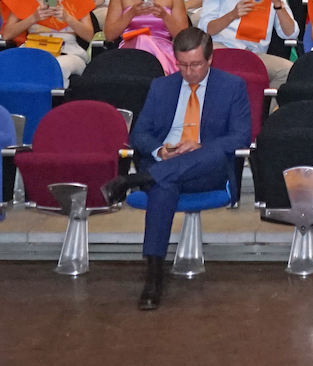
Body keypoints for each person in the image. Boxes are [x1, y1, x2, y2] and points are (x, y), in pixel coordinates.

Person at [106, 29, 251, 311]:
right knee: (164, 185)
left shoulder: (232, 86)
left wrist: (198, 145)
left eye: (196, 64)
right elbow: (140, 134)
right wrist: (161, 151)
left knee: (210, 154)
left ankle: (140, 179)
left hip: (206, 172)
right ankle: (154, 275)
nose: (189, 72)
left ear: (210, 59)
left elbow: (240, 137)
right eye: (183, 65)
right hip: (166, 164)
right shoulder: (162, 87)